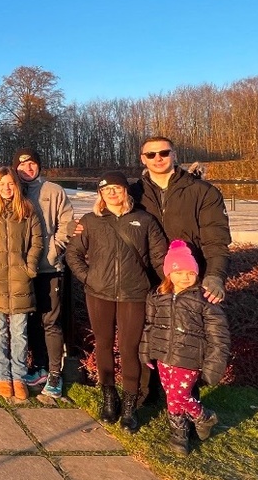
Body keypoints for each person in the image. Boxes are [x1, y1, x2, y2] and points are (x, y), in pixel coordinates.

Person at [66, 171, 167, 432]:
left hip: (134, 295)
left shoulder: (145, 220)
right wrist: (89, 278)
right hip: (99, 294)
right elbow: (73, 253)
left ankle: (130, 406)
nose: (112, 193)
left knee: (129, 348)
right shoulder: (91, 221)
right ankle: (109, 397)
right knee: (103, 345)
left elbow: (159, 258)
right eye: (106, 189)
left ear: (126, 191)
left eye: (116, 188)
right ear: (100, 194)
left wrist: (165, 284)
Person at [140, 240, 230, 455]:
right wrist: (146, 351)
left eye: (190, 273)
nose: (185, 277)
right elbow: (150, 326)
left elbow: (219, 335)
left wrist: (213, 366)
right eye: (179, 272)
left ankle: (203, 416)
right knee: (171, 395)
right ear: (169, 273)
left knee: (179, 397)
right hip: (163, 356)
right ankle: (179, 431)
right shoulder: (157, 296)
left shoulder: (203, 299)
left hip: (189, 359)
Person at [130, 136, 231, 304]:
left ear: (174, 155)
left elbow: (216, 239)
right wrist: (78, 228)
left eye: (164, 152)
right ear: (143, 159)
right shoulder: (133, 194)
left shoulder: (203, 192)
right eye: (151, 154)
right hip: (146, 279)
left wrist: (215, 275)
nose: (158, 158)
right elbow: (108, 223)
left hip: (188, 278)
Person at [0, 167, 43, 401]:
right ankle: (3, 376)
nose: (6, 188)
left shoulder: (26, 209)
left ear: (16, 185)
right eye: (2, 184)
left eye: (10, 184)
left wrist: (30, 267)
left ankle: (19, 376)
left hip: (20, 279)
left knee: (19, 332)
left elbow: (37, 240)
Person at [13, 148, 74, 399]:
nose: (28, 168)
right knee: (31, 320)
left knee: (51, 321)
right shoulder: (15, 192)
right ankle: (38, 367)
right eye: (22, 164)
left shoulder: (54, 191)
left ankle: (54, 374)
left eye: (32, 164)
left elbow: (67, 223)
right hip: (23, 270)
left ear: (39, 166)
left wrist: (55, 249)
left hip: (49, 268)